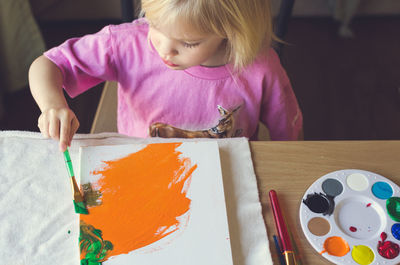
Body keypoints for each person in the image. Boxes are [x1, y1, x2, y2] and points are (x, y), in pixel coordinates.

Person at [29, 0, 303, 152]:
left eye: (188, 43)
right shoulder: (126, 44)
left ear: (232, 30)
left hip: (228, 174)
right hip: (140, 162)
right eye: (155, 25)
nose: (165, 49)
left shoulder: (261, 68)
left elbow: (289, 139)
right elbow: (48, 64)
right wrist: (52, 105)